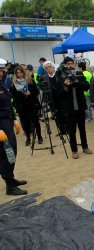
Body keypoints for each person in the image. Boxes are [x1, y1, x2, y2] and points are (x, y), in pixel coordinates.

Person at [0, 58, 27, 195]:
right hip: (1, 125)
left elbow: (8, 104)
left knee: (12, 152)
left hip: (8, 122)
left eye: (2, 70)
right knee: (5, 154)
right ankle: (9, 186)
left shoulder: (1, 84)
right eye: (0, 70)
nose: (2, 72)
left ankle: (11, 178)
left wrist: (15, 119)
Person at [58, 57, 93, 159]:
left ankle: (85, 147)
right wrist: (65, 86)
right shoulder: (61, 76)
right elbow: (59, 93)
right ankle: (74, 151)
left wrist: (76, 81)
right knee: (72, 130)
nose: (70, 65)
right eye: (68, 64)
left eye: (71, 63)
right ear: (64, 65)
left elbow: (86, 86)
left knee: (82, 129)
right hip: (70, 108)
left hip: (80, 107)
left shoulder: (79, 74)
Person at [11, 65, 43, 146]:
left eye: (21, 72)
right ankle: (28, 138)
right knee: (25, 123)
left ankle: (39, 137)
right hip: (21, 106)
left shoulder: (30, 80)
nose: (19, 74)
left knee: (35, 121)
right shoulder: (14, 83)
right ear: (15, 74)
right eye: (17, 73)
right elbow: (13, 96)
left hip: (31, 104)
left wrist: (30, 93)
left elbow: (36, 91)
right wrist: (21, 95)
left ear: (23, 72)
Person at [39, 61, 66, 135]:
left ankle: (66, 129)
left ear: (53, 67)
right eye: (46, 68)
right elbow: (41, 86)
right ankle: (60, 130)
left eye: (49, 66)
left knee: (64, 113)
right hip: (52, 99)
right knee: (56, 115)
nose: (48, 69)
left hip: (62, 98)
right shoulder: (44, 78)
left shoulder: (59, 75)